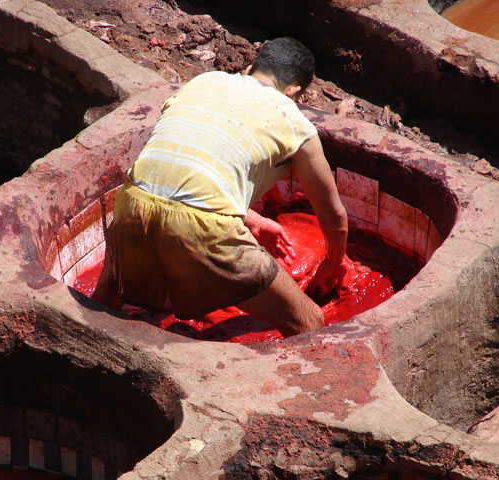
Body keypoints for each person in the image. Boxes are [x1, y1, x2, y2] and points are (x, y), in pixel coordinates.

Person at [92, 37, 350, 337]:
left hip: (131, 204)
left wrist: (252, 219)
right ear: (294, 92)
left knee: (109, 298)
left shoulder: (202, 82)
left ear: (250, 68)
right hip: (203, 227)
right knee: (310, 322)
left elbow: (182, 172)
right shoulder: (292, 118)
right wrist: (334, 262)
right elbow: (334, 215)